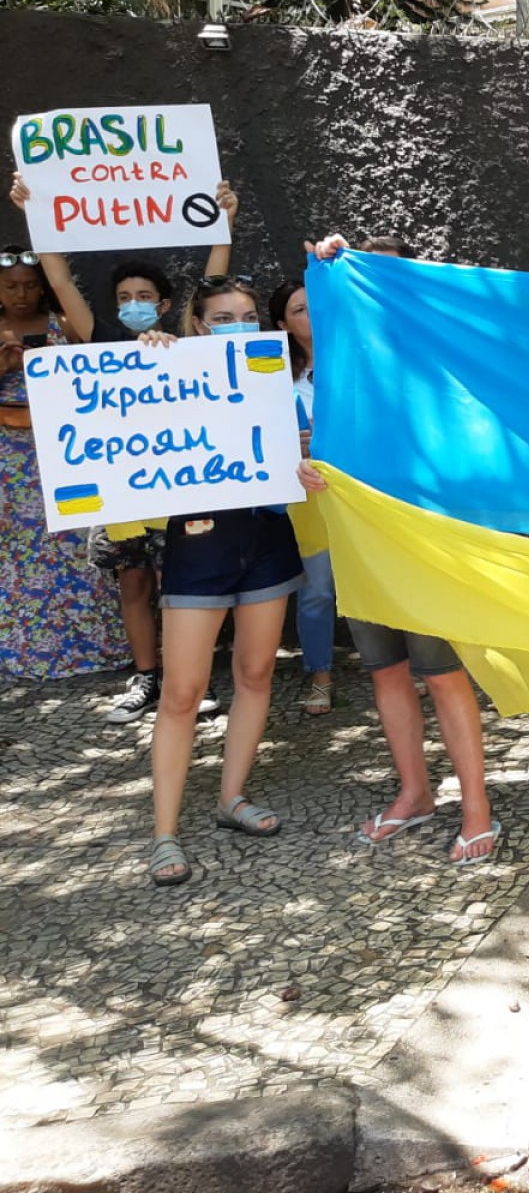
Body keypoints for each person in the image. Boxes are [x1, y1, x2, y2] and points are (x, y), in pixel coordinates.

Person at [302, 233, 502, 862]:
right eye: (368, 279)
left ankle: (477, 810)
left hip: (427, 537)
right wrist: (324, 268)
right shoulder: (343, 358)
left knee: (443, 675)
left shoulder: (441, 356)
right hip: (359, 533)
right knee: (384, 670)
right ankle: (414, 793)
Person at [9, 172, 239, 716]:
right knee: (133, 584)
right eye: (124, 297)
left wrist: (223, 222)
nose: (134, 303)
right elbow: (60, 280)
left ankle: (192, 680)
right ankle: (146, 678)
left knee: (179, 586)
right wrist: (34, 213)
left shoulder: (185, 342)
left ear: (163, 305)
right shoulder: (102, 339)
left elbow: (214, 280)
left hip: (178, 493)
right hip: (122, 497)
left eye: (144, 297)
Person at [138, 276, 306, 886]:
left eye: (246, 313)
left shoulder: (273, 374)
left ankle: (231, 797)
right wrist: (146, 354)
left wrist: (306, 462)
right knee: (182, 693)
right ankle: (164, 834)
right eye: (222, 316)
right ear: (201, 325)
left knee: (255, 675)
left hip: (267, 542)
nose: (237, 323)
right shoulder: (167, 367)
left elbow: (297, 450)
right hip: (197, 547)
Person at [0, 241, 129, 680]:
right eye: (11, 286)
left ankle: (93, 647)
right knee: (19, 549)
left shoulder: (62, 324)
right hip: (9, 458)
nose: (20, 294)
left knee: (77, 542)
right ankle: (27, 651)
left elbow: (96, 375)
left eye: (29, 285)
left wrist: (54, 364)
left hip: (63, 450)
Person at [270, 275, 337, 716]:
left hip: (367, 495)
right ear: (282, 324)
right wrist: (287, 442)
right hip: (309, 497)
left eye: (315, 305)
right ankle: (320, 675)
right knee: (317, 589)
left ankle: (405, 665)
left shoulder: (359, 363)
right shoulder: (272, 378)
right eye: (299, 309)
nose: (310, 315)